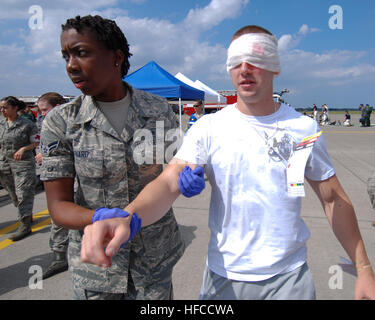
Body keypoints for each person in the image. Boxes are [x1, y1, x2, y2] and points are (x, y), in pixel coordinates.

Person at [81, 25, 375, 300]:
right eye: (236, 61)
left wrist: (363, 269)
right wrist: (129, 216)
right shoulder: (210, 127)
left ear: (276, 66)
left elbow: (333, 198)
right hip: (224, 278)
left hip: (289, 278)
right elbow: (169, 180)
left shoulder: (303, 129)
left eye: (255, 58)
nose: (244, 69)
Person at [39, 15, 184, 299]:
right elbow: (58, 206)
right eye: (66, 56)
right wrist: (99, 217)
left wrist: (188, 176)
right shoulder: (62, 121)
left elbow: (176, 167)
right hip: (98, 266)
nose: (71, 65)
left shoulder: (157, 109)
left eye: (81, 52)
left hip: (153, 263)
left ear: (116, 58)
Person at [34, 92, 70, 279]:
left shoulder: (71, 119)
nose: (42, 114)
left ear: (57, 106)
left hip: (74, 178)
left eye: (45, 110)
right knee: (58, 217)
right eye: (40, 111)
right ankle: (59, 256)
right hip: (56, 178)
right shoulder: (48, 122)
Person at [0, 96, 40, 241]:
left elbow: (36, 142)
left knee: (23, 192)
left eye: (5, 107)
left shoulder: (27, 124)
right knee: (13, 194)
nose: (2, 110)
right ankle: (27, 214)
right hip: (4, 164)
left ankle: (24, 225)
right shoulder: (1, 123)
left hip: (23, 163)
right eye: (1, 108)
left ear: (15, 108)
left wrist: (24, 148)